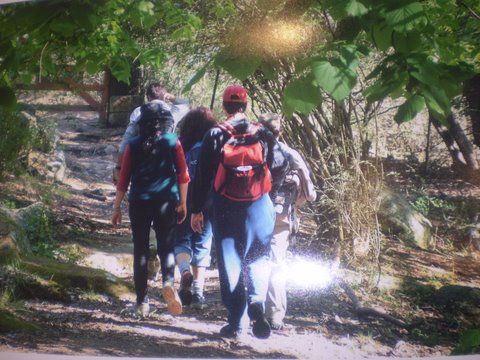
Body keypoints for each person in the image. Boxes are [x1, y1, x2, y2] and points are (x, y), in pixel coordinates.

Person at [190, 84, 288, 339]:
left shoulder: (215, 134)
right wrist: (269, 190)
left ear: (224, 106)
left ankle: (236, 323)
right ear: (245, 106)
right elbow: (281, 164)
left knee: (230, 262)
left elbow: (201, 177)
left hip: (225, 205)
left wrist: (197, 209)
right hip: (259, 205)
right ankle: (257, 303)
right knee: (258, 257)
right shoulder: (263, 133)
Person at [111, 101, 190, 317]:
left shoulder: (132, 145)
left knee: (141, 251)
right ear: (163, 123)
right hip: (167, 201)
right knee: (166, 246)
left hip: (139, 202)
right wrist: (183, 202)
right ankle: (167, 281)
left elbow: (123, 180)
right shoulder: (173, 141)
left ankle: (142, 302)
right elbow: (184, 175)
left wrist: (116, 208)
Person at [258, 112, 317, 331]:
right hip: (280, 217)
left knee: (252, 260)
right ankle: (274, 315)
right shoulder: (290, 153)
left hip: (251, 214)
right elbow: (311, 194)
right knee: (276, 264)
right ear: (280, 131)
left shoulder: (249, 150)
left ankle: (249, 308)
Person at [174, 106, 217, 309]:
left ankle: (184, 272)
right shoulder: (214, 147)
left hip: (183, 197)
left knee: (182, 238)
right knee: (203, 241)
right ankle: (199, 292)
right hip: (207, 199)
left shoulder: (181, 146)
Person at [113, 83, 190, 184]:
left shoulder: (139, 112)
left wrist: (119, 167)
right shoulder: (172, 112)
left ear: (148, 97)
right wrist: (171, 97)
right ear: (164, 96)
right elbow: (186, 104)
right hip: (164, 165)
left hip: (141, 164)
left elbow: (126, 141)